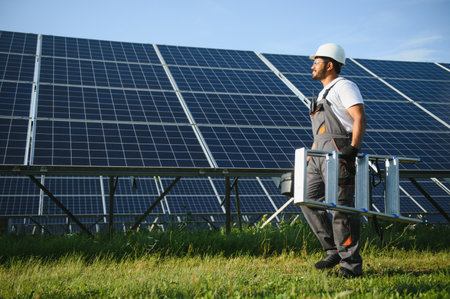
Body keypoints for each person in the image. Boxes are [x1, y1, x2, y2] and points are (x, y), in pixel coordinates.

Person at [301, 43, 366, 278]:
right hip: (318, 155)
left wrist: (353, 148)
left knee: (342, 210)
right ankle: (333, 249)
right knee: (307, 199)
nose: (312, 66)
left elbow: (359, 117)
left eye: (316, 62)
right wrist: (312, 154)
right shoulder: (322, 93)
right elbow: (321, 130)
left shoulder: (344, 86)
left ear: (329, 65)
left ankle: (350, 266)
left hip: (339, 153)